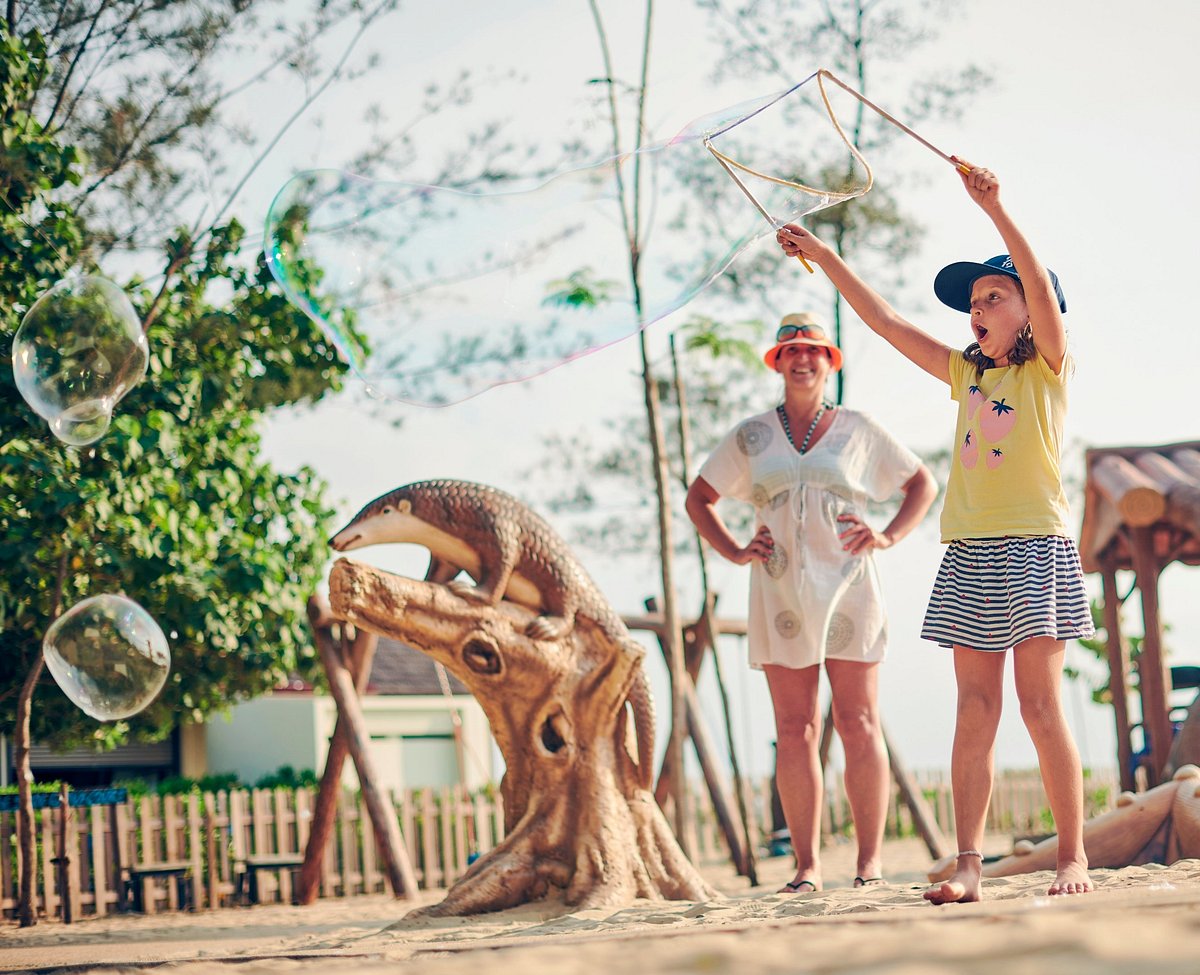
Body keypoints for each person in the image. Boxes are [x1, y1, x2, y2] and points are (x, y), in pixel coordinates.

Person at [776, 162, 1096, 903]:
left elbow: (1040, 286)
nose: (977, 310)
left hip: (1036, 546)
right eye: (973, 303)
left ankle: (1072, 856)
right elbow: (886, 323)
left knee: (1039, 706)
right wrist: (823, 256)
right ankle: (969, 865)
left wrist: (996, 208)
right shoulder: (966, 374)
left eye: (994, 297)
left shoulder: (1048, 369)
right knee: (974, 710)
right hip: (971, 552)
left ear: (1031, 310)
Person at [686, 313, 937, 893]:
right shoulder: (752, 435)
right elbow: (699, 498)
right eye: (792, 351)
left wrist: (887, 536)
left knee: (858, 721)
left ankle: (869, 863)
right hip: (779, 592)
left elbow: (921, 483)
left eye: (814, 350)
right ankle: (806, 867)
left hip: (850, 586)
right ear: (777, 363)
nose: (803, 359)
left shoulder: (859, 429)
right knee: (794, 727)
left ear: (830, 362)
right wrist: (735, 550)